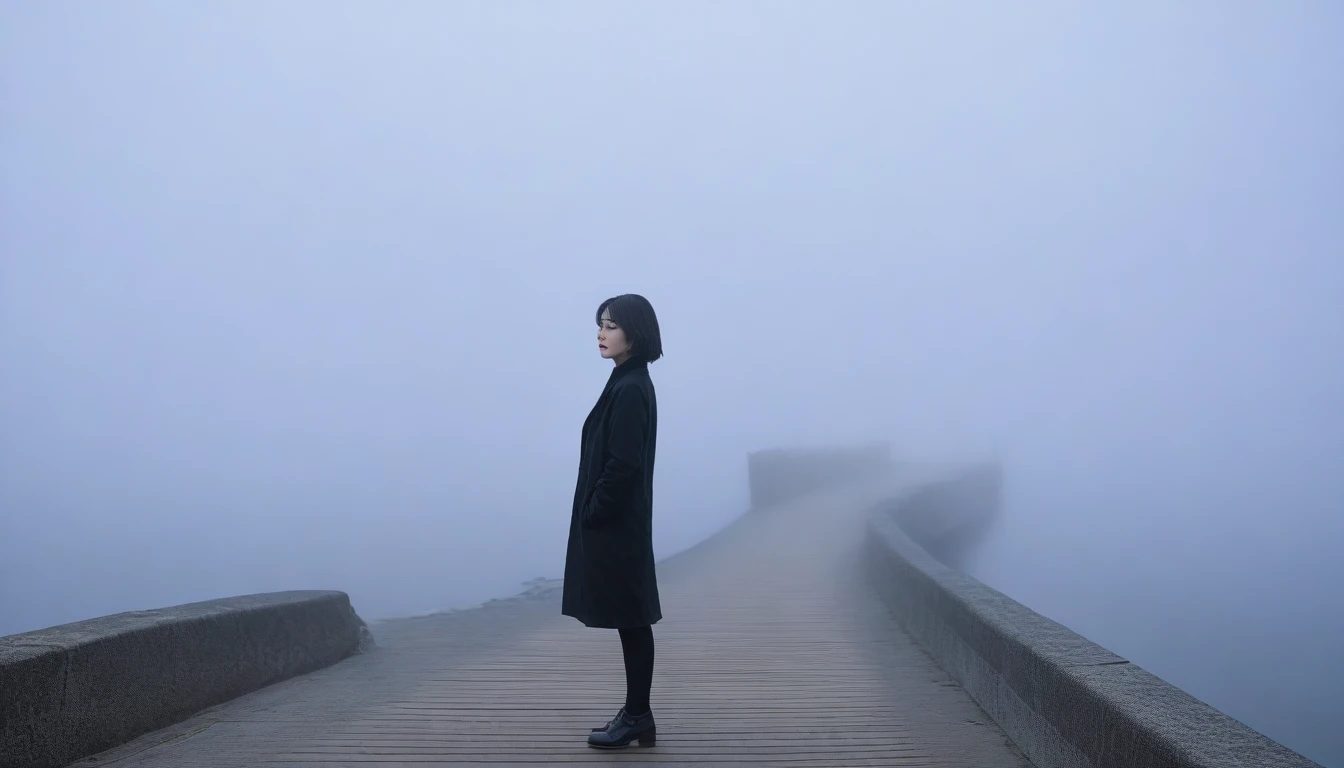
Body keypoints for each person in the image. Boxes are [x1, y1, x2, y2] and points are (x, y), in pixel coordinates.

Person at [562, 293, 663, 750]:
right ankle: (638, 715)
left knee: (633, 620)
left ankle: (638, 716)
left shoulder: (631, 387)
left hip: (619, 525)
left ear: (634, 333)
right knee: (631, 620)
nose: (601, 333)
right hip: (623, 522)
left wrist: (594, 508)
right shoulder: (628, 380)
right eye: (599, 325)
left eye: (610, 325)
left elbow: (622, 464)